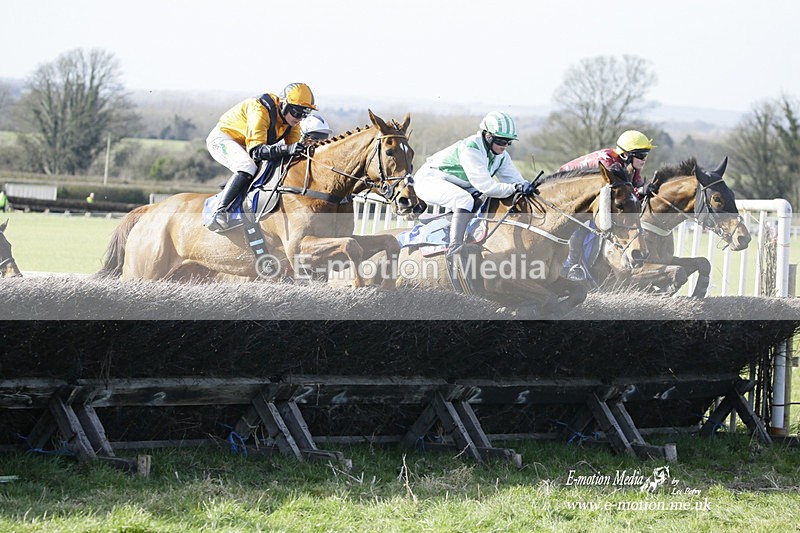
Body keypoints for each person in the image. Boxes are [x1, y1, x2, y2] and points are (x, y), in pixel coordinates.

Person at [413, 111, 537, 259]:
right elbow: (488, 187)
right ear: (487, 136)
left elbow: (515, 180)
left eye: (509, 142)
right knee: (464, 200)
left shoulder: (502, 156)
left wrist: (527, 186)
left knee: (482, 200)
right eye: (501, 141)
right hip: (429, 180)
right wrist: (515, 188)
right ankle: (455, 247)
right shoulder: (471, 149)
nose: (505, 146)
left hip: (457, 183)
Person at [205, 82, 317, 232]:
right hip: (224, 138)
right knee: (247, 166)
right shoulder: (260, 109)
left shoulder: (292, 122)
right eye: (297, 112)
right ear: (283, 104)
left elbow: (293, 153)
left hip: (246, 144)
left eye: (304, 114)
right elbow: (256, 152)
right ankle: (220, 211)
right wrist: (288, 148)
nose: (299, 118)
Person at [558, 129, 656, 281]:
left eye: (646, 155)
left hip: (589, 190)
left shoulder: (631, 166)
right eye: (641, 155)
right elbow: (618, 191)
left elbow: (633, 192)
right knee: (581, 223)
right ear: (626, 155)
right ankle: (572, 265)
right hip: (565, 188)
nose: (644, 160)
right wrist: (640, 190)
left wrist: (645, 190)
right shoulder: (608, 162)